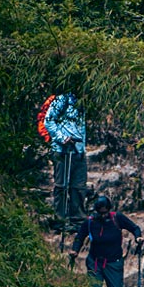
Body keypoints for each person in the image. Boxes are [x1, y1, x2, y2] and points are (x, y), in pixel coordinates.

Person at [44, 92, 87, 225]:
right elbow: (48, 120)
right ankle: (60, 217)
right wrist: (62, 138)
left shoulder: (84, 100)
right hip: (62, 150)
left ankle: (78, 218)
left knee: (79, 186)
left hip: (78, 149)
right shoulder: (62, 100)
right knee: (61, 185)